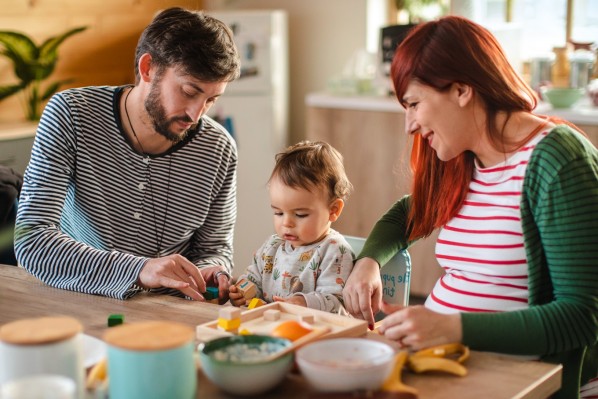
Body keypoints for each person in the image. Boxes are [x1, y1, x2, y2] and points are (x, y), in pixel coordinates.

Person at [342, 16, 597, 399]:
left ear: (462, 90)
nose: (409, 124)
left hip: (523, 382)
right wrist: (368, 261)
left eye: (414, 103)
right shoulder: (467, 159)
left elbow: (581, 317)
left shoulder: (556, 161)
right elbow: (404, 216)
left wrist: (452, 328)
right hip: (454, 365)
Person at [14, 8, 241, 302]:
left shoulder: (219, 148)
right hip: (80, 299)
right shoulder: (72, 114)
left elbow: (214, 248)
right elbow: (32, 238)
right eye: (188, 91)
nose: (196, 114)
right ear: (148, 68)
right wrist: (139, 269)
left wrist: (213, 269)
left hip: (171, 313)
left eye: (211, 99)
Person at [229, 141, 354, 313]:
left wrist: (303, 302)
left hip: (314, 332)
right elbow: (254, 277)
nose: (286, 223)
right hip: (268, 327)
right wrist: (244, 291)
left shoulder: (334, 251)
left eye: (300, 214)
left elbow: (337, 301)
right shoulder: (272, 246)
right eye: (278, 213)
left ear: (333, 210)